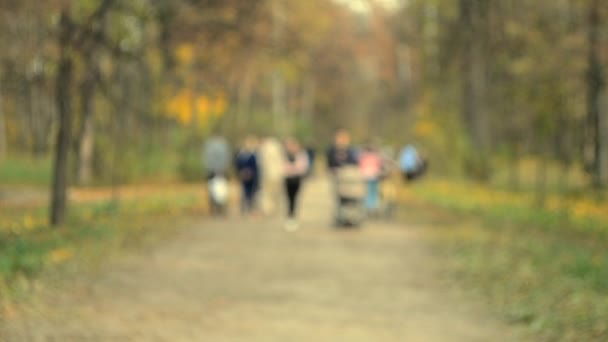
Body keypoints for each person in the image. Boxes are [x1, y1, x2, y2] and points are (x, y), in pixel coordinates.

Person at [283, 138, 309, 231]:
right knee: (289, 198)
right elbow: (283, 167)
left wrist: (294, 168)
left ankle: (293, 216)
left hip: (297, 179)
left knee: (295, 198)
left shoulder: (301, 155)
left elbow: (303, 167)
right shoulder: (285, 155)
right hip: (288, 179)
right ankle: (290, 216)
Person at [203, 131, 231, 215]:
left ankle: (215, 209)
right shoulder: (223, 145)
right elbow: (227, 158)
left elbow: (206, 159)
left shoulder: (209, 145)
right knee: (221, 190)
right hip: (220, 171)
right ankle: (220, 209)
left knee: (214, 190)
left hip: (213, 171)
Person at [258, 136, 285, 217]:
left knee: (267, 193)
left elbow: (261, 162)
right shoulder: (278, 148)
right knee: (275, 193)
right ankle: (273, 208)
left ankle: (268, 209)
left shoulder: (263, 149)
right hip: (277, 174)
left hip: (267, 174)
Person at [235, 137, 259, 215]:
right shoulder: (241, 155)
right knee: (244, 192)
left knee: (251, 192)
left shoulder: (252, 155)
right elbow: (237, 165)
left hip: (251, 176)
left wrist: (251, 172)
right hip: (243, 176)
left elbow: (255, 166)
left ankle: (250, 207)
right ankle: (244, 207)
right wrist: (241, 172)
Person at [358, 141, 383, 213]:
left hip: (365, 176)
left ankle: (367, 206)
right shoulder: (376, 157)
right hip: (374, 176)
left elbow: (360, 166)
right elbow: (379, 166)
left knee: (367, 191)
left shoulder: (363, 156)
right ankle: (372, 206)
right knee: (373, 192)